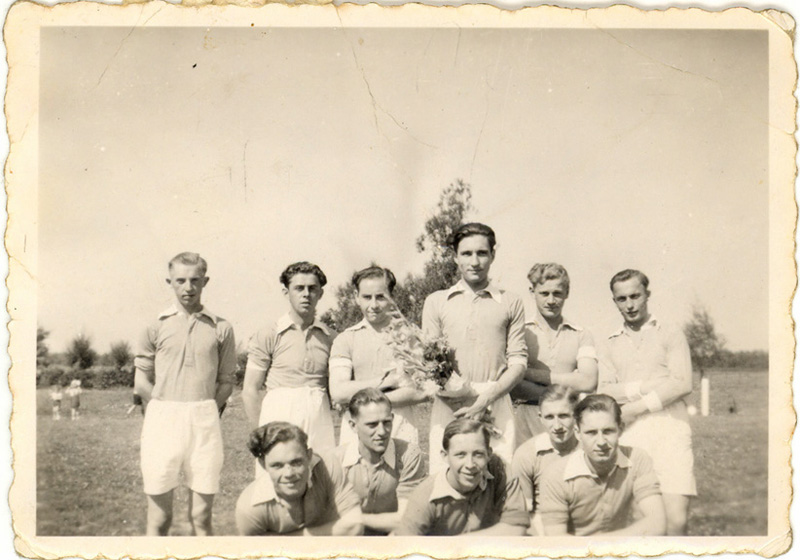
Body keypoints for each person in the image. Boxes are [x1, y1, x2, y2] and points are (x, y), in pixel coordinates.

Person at [134, 252, 236, 536]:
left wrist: (205, 408)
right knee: (159, 519)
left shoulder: (222, 327)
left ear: (205, 281)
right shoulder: (156, 326)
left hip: (204, 421)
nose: (188, 287)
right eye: (180, 280)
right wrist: (163, 406)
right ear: (170, 282)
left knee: (201, 519)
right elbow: (140, 381)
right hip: (162, 420)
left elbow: (227, 382)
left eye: (194, 280)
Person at [421, 223, 527, 470]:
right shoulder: (437, 301)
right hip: (450, 405)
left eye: (482, 253)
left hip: (495, 402)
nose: (475, 261)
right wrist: (461, 402)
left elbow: (519, 362)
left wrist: (484, 401)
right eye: (467, 253)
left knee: (497, 479)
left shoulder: (511, 301)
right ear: (455, 257)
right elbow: (427, 363)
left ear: (493, 255)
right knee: (448, 481)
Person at [597, 269, 696, 535]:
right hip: (632, 435)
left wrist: (634, 407)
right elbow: (604, 389)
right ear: (615, 301)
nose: (629, 305)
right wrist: (644, 387)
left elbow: (682, 383)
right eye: (621, 299)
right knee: (645, 521)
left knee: (676, 521)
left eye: (635, 296)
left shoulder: (670, 332)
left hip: (671, 428)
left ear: (647, 295)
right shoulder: (610, 342)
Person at [242, 262, 336, 454]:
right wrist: (262, 434)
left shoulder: (331, 337)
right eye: (299, 288)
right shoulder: (269, 333)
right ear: (287, 292)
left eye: (312, 288)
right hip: (280, 412)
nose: (306, 294)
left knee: (321, 475)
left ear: (320, 293)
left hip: (318, 414)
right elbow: (250, 389)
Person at [538, 394, 666, 536]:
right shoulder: (555, 475)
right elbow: (557, 541)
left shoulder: (637, 459)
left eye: (608, 431)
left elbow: (657, 524)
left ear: (621, 429)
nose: (601, 442)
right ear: (578, 433)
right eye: (591, 433)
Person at [329, 266, 428, 445]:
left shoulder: (411, 335)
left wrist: (364, 401)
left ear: (391, 297)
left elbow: (423, 391)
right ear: (356, 297)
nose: (373, 305)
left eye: (380, 297)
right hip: (358, 428)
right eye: (367, 297)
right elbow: (338, 392)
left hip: (401, 425)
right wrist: (386, 383)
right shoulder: (345, 339)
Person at [394, 418, 529, 536]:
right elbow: (404, 550)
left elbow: (516, 527)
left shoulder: (500, 470)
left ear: (489, 454)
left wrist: (459, 544)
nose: (470, 464)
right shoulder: (426, 495)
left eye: (478, 454)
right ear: (444, 456)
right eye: (460, 455)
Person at [511, 263, 597, 443]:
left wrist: (532, 374)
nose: (551, 301)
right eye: (544, 293)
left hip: (567, 420)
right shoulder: (520, 332)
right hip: (525, 418)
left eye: (557, 293)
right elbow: (514, 386)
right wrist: (566, 388)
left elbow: (588, 381)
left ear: (567, 293)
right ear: (532, 291)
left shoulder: (581, 334)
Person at [235, 422, 364, 536]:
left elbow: (354, 526)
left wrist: (285, 540)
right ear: (263, 465)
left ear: (309, 456)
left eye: (296, 463)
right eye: (277, 466)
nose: (289, 473)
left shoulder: (327, 467)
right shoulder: (250, 508)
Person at [327, 388, 426, 535]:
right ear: (353, 426)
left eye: (386, 422)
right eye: (372, 425)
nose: (382, 432)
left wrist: (356, 520)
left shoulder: (408, 455)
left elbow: (406, 519)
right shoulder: (335, 461)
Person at [511, 385, 580, 534]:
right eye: (549, 417)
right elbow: (524, 515)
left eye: (563, 416)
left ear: (577, 416)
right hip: (544, 532)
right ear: (540, 418)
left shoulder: (591, 449)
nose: (557, 426)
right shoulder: (526, 455)